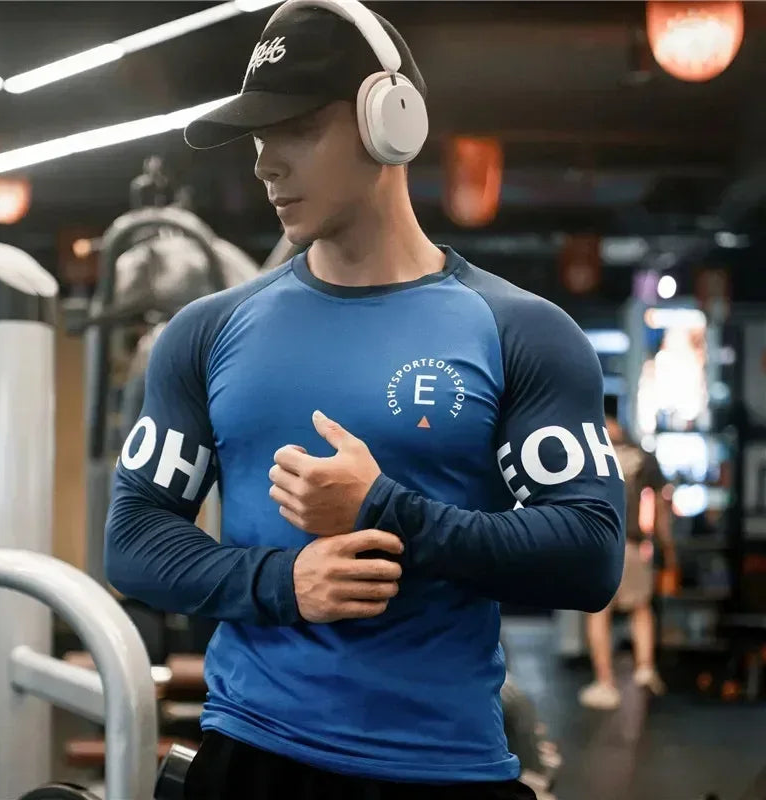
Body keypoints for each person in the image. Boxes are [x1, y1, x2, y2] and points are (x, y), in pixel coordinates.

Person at [104, 2, 625, 798]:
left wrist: (386, 510)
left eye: (298, 129)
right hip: (250, 758)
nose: (265, 164)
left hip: (441, 769)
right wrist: (284, 582)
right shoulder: (205, 332)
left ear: (392, 122)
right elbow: (135, 539)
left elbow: (588, 555)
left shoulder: (521, 331)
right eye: (258, 136)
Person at [579, 395, 677, 710]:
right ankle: (645, 667)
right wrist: (667, 546)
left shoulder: (586, 454)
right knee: (641, 608)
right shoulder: (641, 455)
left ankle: (605, 683)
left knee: (599, 612)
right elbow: (661, 505)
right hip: (633, 545)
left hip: (598, 545)